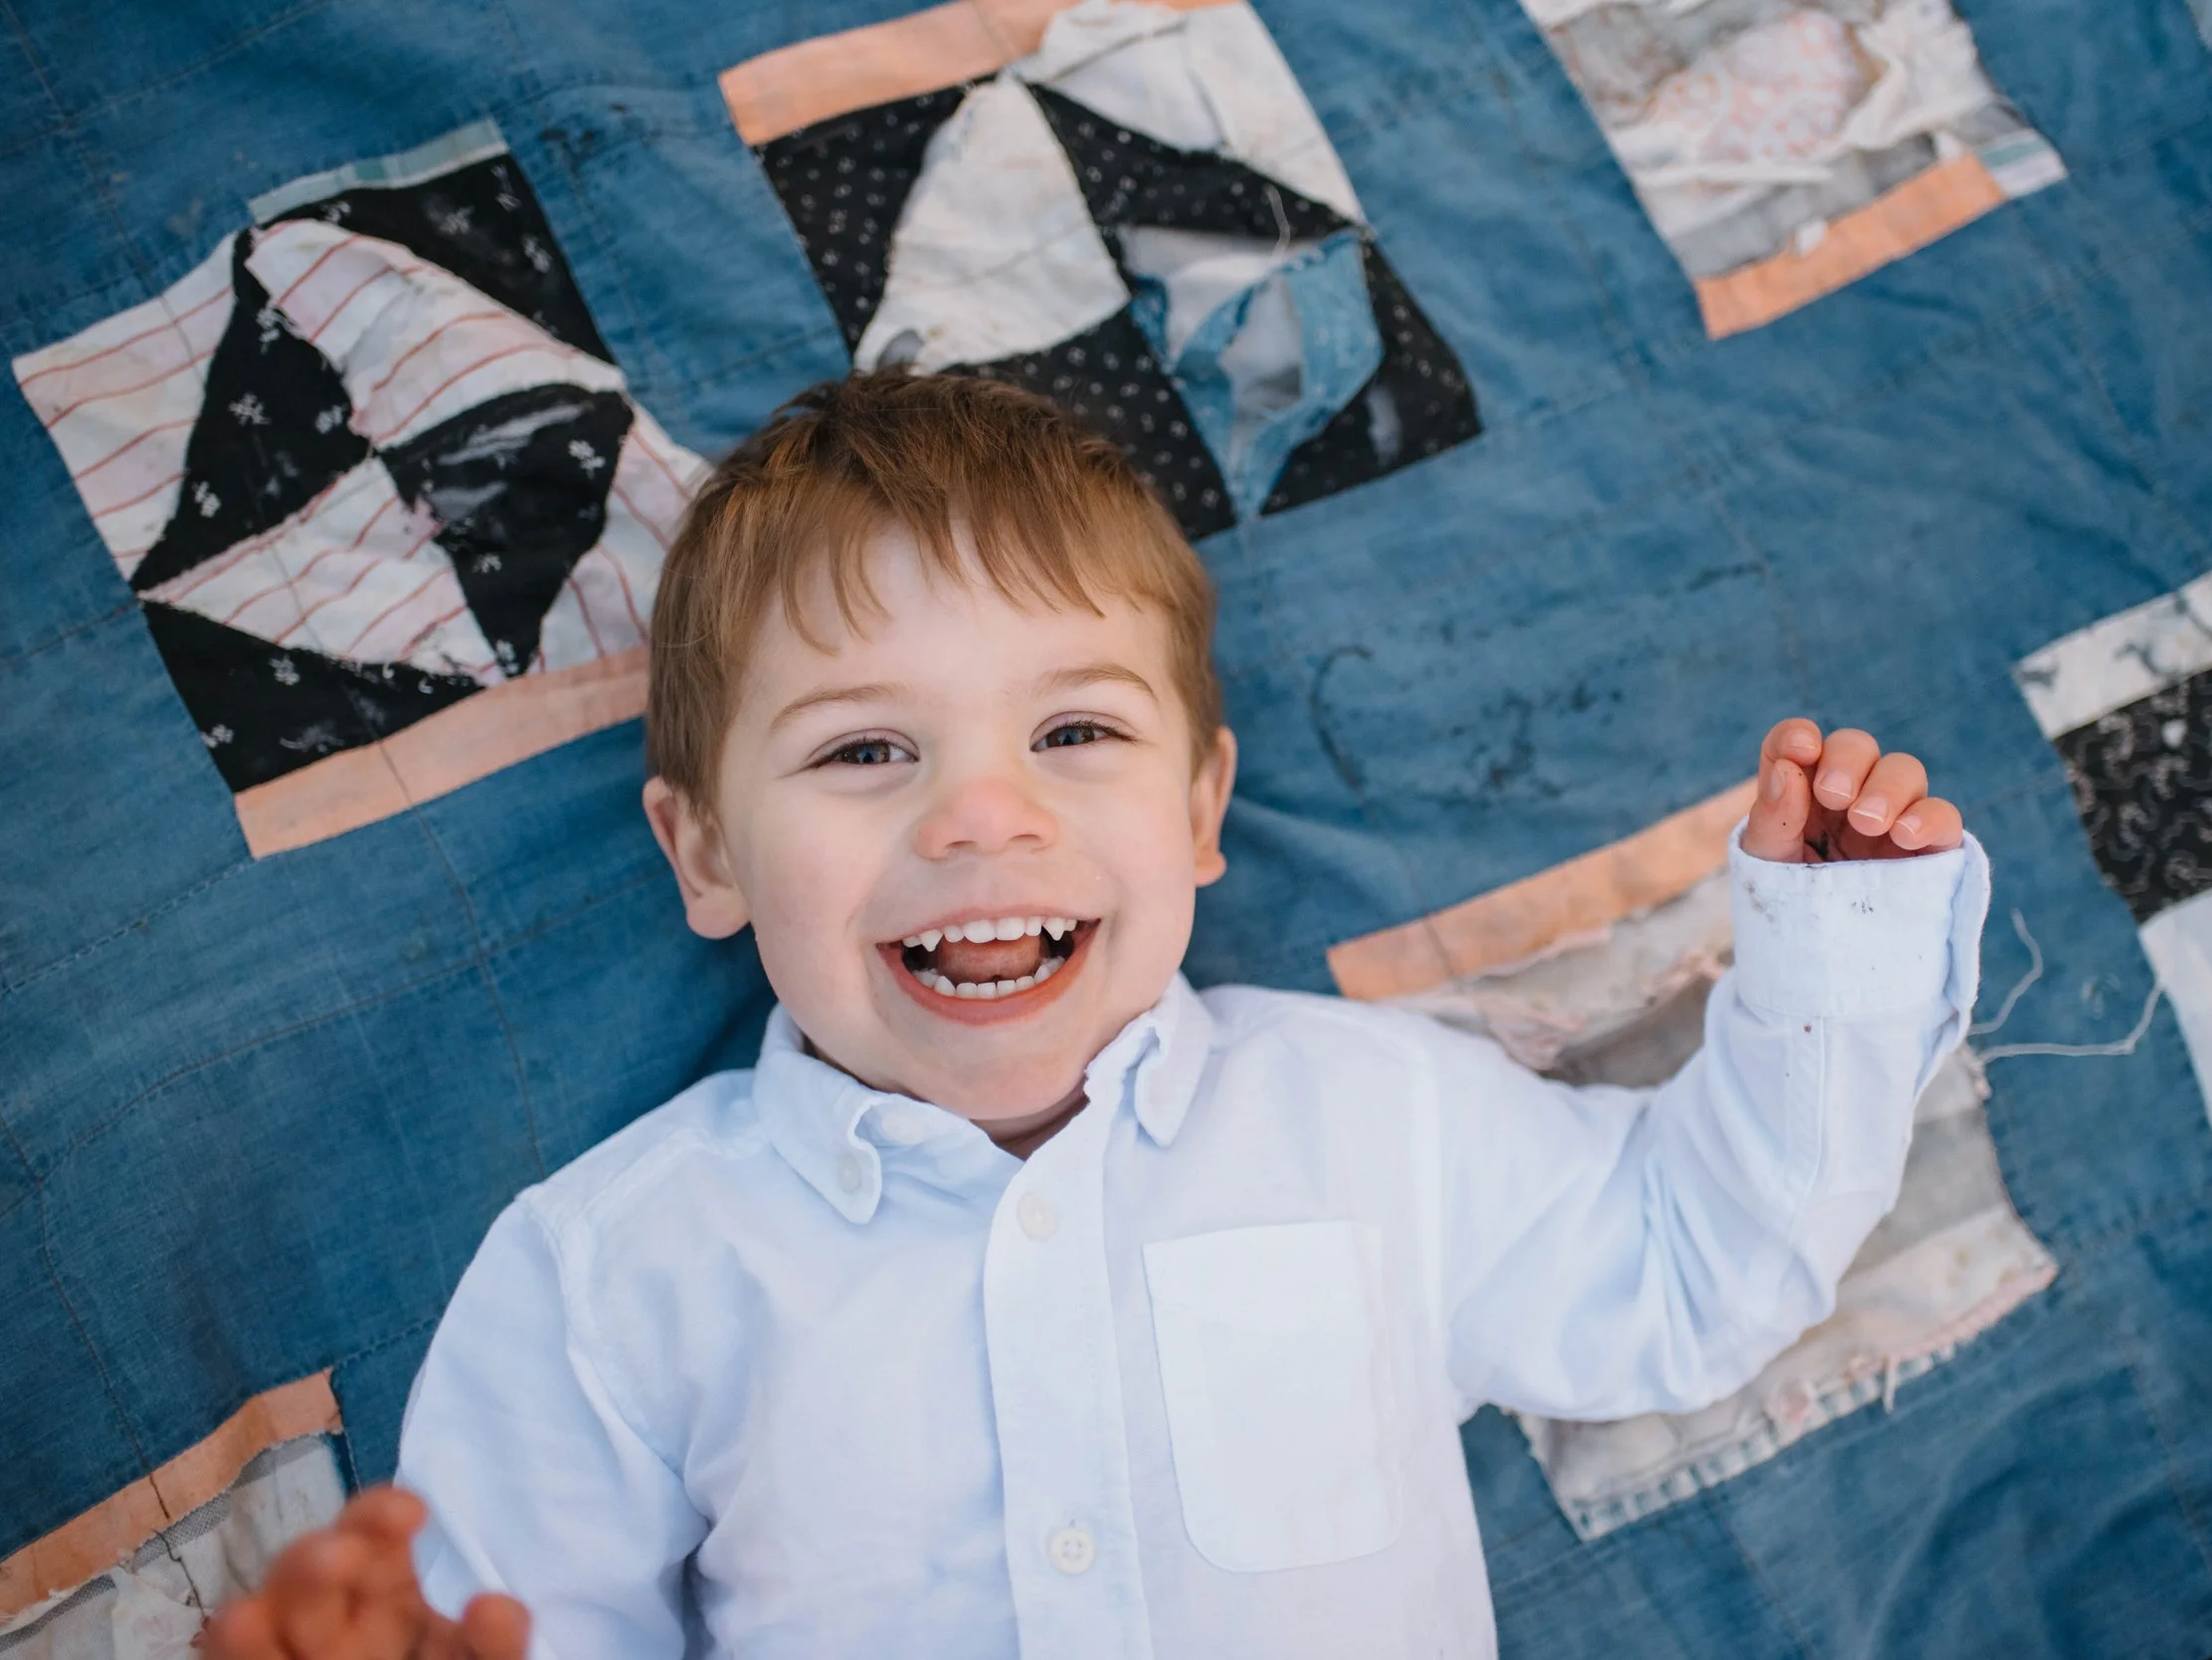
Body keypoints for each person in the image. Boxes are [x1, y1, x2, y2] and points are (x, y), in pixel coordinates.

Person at [204, 370, 1984, 1660]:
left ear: (1203, 813)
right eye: (865, 751)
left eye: (1072, 734)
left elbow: (1693, 1269)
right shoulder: (614, 1274)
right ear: (707, 853)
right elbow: (517, 1612)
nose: (983, 816)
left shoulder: (1367, 1113)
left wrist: (1836, 949)